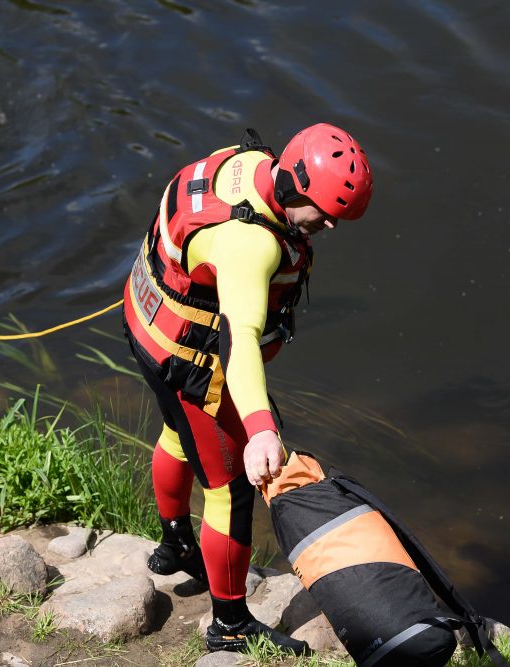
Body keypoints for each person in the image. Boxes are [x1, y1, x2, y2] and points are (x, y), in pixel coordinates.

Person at [122, 124, 373, 654]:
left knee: (176, 433)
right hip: (188, 360)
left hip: (145, 318)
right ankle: (230, 626)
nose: (329, 224)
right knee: (229, 489)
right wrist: (260, 431)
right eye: (325, 213)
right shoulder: (251, 243)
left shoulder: (244, 160)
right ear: (296, 185)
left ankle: (173, 546)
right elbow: (238, 346)